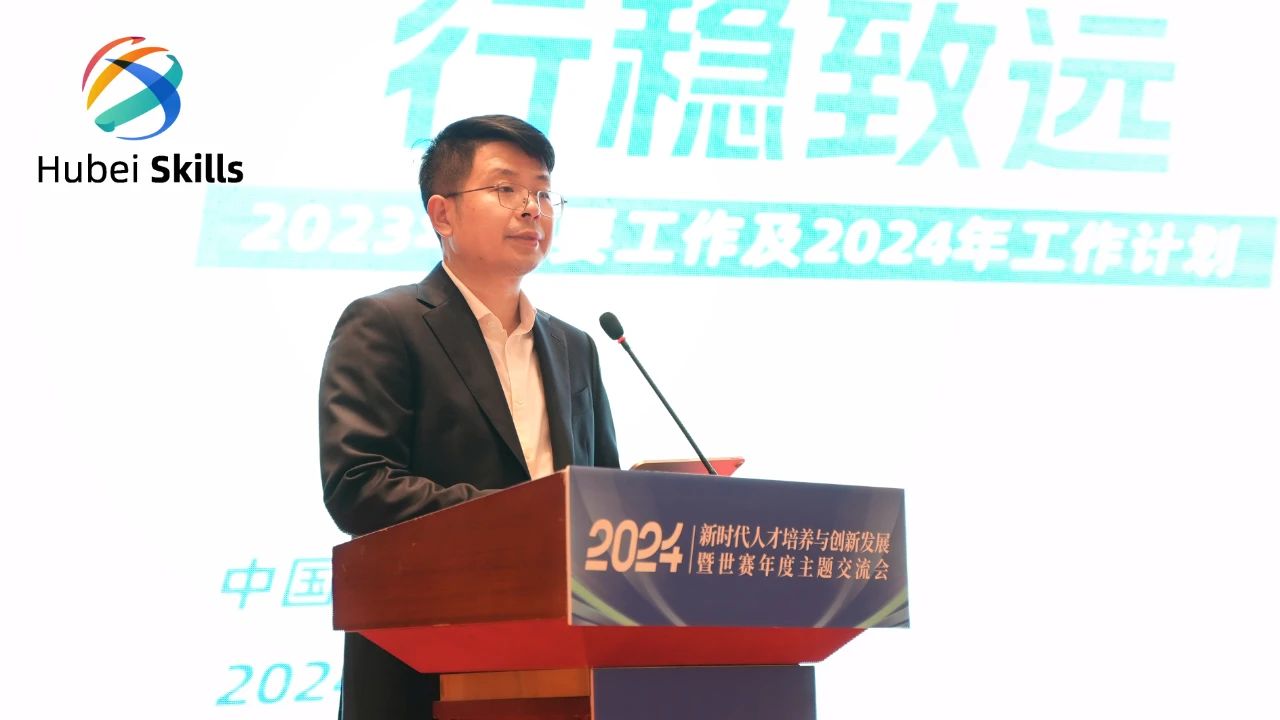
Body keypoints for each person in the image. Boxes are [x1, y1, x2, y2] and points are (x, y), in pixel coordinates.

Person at [318, 114, 620, 719]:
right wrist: (527, 518)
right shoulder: (385, 324)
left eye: (543, 193)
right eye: (506, 189)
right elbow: (360, 486)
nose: (532, 209)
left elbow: (601, 492)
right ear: (443, 214)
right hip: (426, 659)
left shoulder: (575, 346)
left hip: (565, 660)